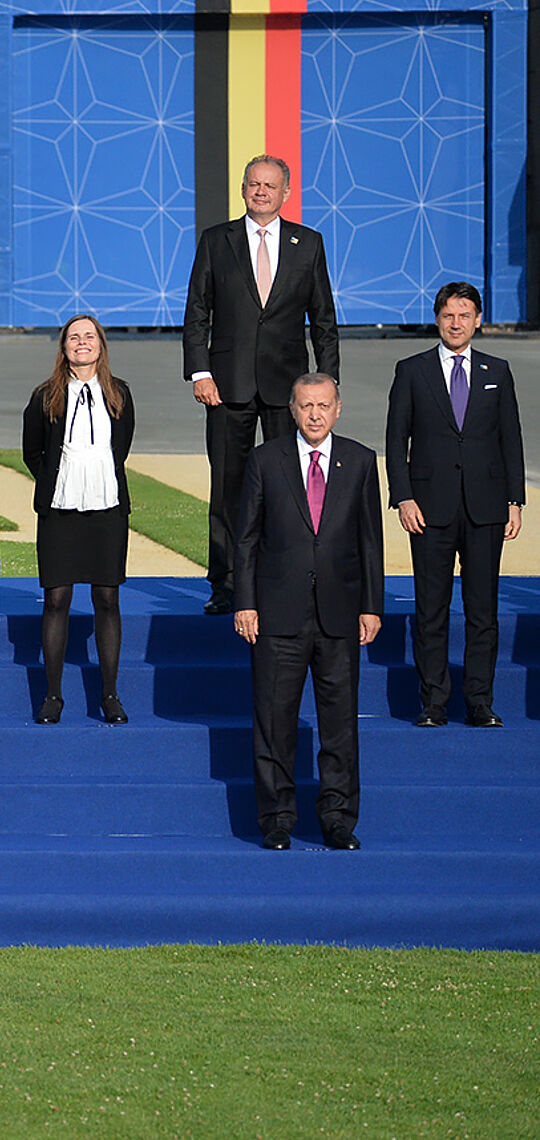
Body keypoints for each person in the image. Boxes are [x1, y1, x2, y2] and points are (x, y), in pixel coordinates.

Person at [182, 153, 339, 615]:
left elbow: (324, 321)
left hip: (288, 389)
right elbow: (197, 312)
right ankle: (226, 584)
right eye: (254, 184)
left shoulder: (307, 244)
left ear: (286, 192)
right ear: (243, 189)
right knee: (228, 487)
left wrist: (326, 385)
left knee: (287, 486)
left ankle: (282, 578)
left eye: (270, 185)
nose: (261, 191)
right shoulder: (217, 240)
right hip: (226, 387)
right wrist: (200, 371)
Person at [233, 374, 382, 851]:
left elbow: (370, 542)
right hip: (278, 615)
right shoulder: (264, 460)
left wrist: (371, 607)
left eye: (323, 405)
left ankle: (337, 817)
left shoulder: (359, 461)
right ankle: (277, 817)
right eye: (305, 406)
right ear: (292, 410)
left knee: (339, 723)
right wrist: (245, 602)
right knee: (275, 722)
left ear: (338, 408)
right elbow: (247, 540)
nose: (315, 414)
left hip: (339, 614)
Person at [385, 282, 524, 729]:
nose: (456, 323)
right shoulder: (411, 370)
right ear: (437, 319)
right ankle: (433, 703)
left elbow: (511, 439)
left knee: (482, 610)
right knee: (431, 609)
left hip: (486, 508)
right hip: (429, 509)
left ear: (478, 320)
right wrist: (403, 496)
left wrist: (514, 500)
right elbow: (395, 440)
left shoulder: (497, 371)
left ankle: (480, 702)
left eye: (465, 315)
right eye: (448, 315)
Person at [22, 315, 136, 725]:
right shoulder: (44, 396)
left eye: (89, 337)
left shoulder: (119, 393)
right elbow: (32, 451)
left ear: (101, 345)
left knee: (107, 598)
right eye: (74, 337)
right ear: (64, 346)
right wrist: (61, 483)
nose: (82, 343)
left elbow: (120, 448)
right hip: (60, 510)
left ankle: (109, 694)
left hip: (106, 509)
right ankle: (53, 696)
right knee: (57, 600)